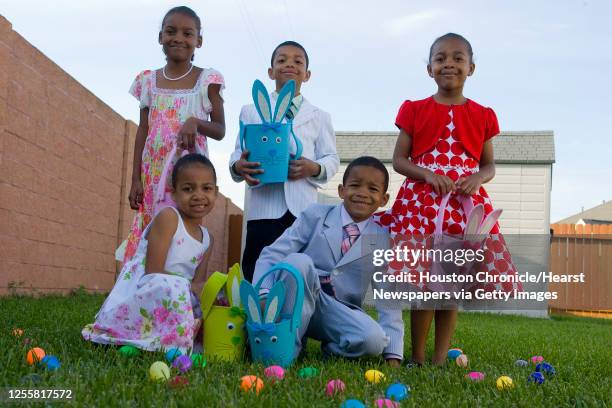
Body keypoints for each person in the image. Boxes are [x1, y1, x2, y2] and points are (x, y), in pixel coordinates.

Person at [375, 33, 522, 366]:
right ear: (429, 69)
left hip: (462, 207)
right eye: (440, 58)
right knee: (426, 283)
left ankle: (440, 358)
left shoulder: (483, 115)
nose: (449, 64)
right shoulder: (414, 109)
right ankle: (417, 356)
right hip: (423, 205)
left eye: (458, 58)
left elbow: (489, 165)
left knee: (450, 285)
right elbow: (399, 160)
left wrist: (476, 179)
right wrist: (427, 174)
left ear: (471, 67)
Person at [253, 157, 403, 366]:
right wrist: (264, 293)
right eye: (355, 185)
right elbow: (272, 254)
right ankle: (287, 350)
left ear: (384, 199)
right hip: (297, 299)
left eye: (372, 189)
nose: (362, 193)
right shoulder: (314, 215)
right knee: (298, 261)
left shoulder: (383, 240)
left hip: (337, 312)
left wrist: (393, 355)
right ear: (341, 190)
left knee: (374, 341)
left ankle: (333, 349)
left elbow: (388, 299)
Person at [229, 41, 339, 282]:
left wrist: (314, 167)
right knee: (256, 271)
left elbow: (331, 158)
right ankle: (255, 317)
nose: (290, 64)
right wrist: (238, 166)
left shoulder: (320, 117)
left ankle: (295, 319)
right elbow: (238, 152)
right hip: (263, 208)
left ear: (307, 75)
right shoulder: (251, 110)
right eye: (282, 60)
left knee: (295, 275)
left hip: (301, 211)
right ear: (270, 72)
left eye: (298, 61)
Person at [83, 154, 218, 352]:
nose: (198, 195)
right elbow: (152, 270)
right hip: (148, 288)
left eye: (206, 188)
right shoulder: (169, 218)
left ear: (216, 192)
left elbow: (198, 284)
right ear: (173, 193)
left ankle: (181, 337)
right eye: (188, 189)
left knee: (207, 303)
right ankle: (168, 341)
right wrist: (185, 289)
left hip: (177, 296)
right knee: (175, 287)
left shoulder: (208, 238)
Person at [122, 6, 225, 263]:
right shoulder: (148, 81)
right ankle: (142, 294)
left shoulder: (207, 80)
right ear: (160, 37)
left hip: (189, 176)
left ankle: (179, 293)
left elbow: (220, 130)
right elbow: (142, 132)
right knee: (150, 235)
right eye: (171, 31)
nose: (178, 38)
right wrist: (136, 178)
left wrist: (195, 122)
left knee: (181, 236)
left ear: (198, 41)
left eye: (187, 33)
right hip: (154, 173)